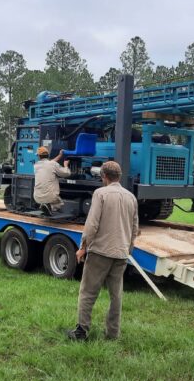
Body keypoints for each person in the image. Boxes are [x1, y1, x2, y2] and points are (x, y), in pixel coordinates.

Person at [67, 160, 139, 341]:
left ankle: (81, 331)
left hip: (100, 252)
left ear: (104, 176)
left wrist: (83, 247)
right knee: (116, 296)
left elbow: (92, 224)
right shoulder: (131, 197)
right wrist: (128, 249)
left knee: (88, 292)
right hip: (121, 253)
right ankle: (113, 333)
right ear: (119, 176)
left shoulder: (100, 194)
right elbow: (134, 228)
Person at [33, 146, 70, 215]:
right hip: (50, 197)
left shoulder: (36, 165)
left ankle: (44, 205)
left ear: (38, 156)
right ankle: (51, 207)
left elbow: (50, 163)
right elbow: (66, 173)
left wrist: (60, 155)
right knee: (59, 203)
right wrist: (66, 165)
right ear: (48, 155)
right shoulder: (52, 164)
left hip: (37, 196)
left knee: (47, 196)